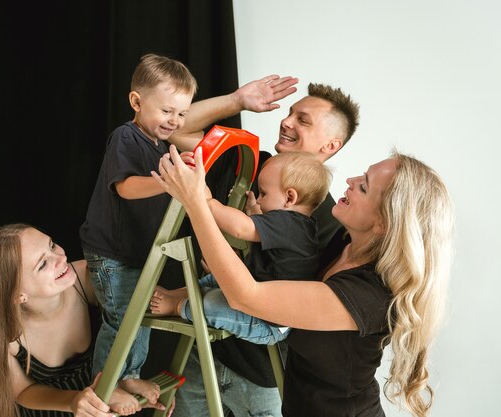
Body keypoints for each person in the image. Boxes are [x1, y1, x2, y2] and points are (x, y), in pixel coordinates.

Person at [154, 145, 454, 417]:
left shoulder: (369, 295)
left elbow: (245, 296)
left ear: (383, 223)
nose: (349, 181)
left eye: (363, 186)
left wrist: (196, 202)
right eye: (361, 174)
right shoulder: (343, 242)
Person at [167, 79, 360, 416]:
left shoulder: (332, 221)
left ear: (330, 145)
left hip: (263, 377)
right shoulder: (253, 162)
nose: (286, 122)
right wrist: (235, 100)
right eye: (290, 113)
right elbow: (175, 130)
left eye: (303, 120)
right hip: (205, 350)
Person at [0, 223, 171, 417]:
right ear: (17, 295)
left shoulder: (87, 278)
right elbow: (22, 391)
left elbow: (143, 298)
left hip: (102, 408)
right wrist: (74, 401)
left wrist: (133, 385)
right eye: (42, 264)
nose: (60, 258)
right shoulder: (7, 333)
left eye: (52, 245)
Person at [78, 53, 198, 403]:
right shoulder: (126, 138)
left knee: (136, 316)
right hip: (111, 253)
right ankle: (107, 383)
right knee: (120, 320)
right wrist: (166, 180)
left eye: (182, 113)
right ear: (136, 101)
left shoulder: (161, 145)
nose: (174, 120)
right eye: (166, 111)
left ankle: (128, 375)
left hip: (134, 254)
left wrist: (180, 167)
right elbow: (125, 187)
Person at [149, 151, 332, 345]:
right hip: (258, 298)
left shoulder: (289, 224)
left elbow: (240, 228)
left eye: (263, 193)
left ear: (289, 198)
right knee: (214, 280)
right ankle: (178, 293)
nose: (260, 199)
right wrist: (254, 209)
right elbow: (266, 233)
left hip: (266, 323)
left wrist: (208, 202)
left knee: (212, 303)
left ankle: (177, 305)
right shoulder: (300, 226)